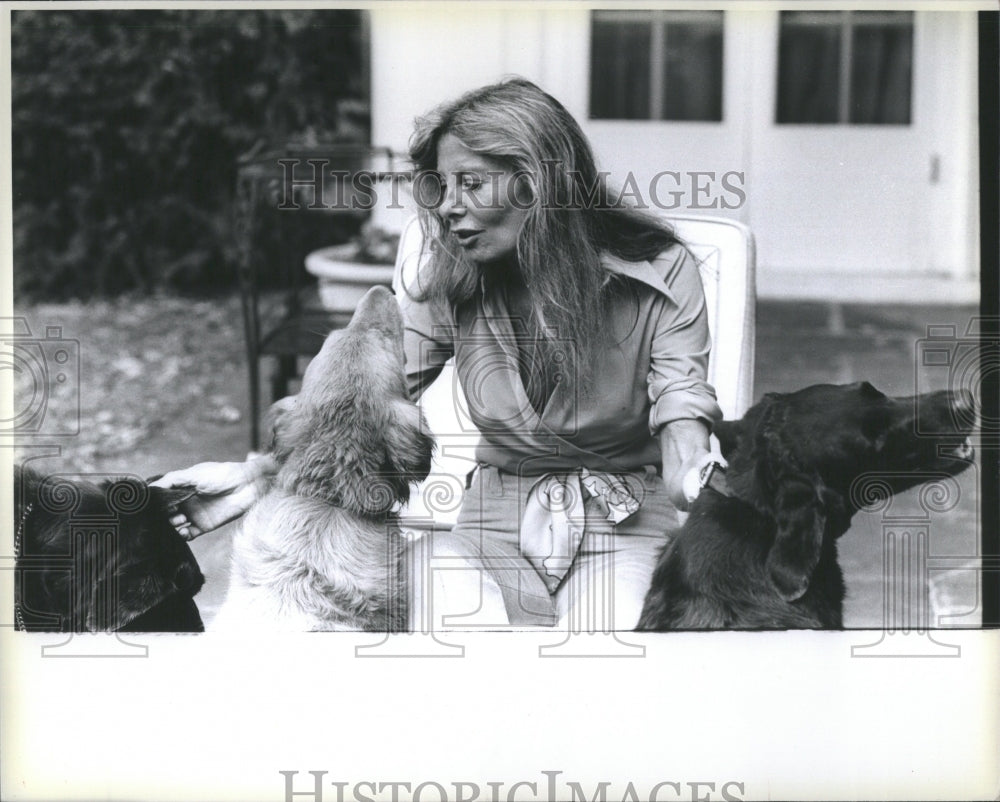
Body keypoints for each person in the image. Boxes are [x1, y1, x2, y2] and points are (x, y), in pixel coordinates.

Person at [155, 77, 723, 631]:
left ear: (539, 179)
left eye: (470, 183)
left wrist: (702, 475)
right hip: (492, 528)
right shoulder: (453, 279)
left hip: (620, 525)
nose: (449, 208)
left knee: (611, 647)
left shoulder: (662, 271)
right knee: (447, 618)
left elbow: (682, 409)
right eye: (443, 189)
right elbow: (354, 416)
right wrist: (250, 480)